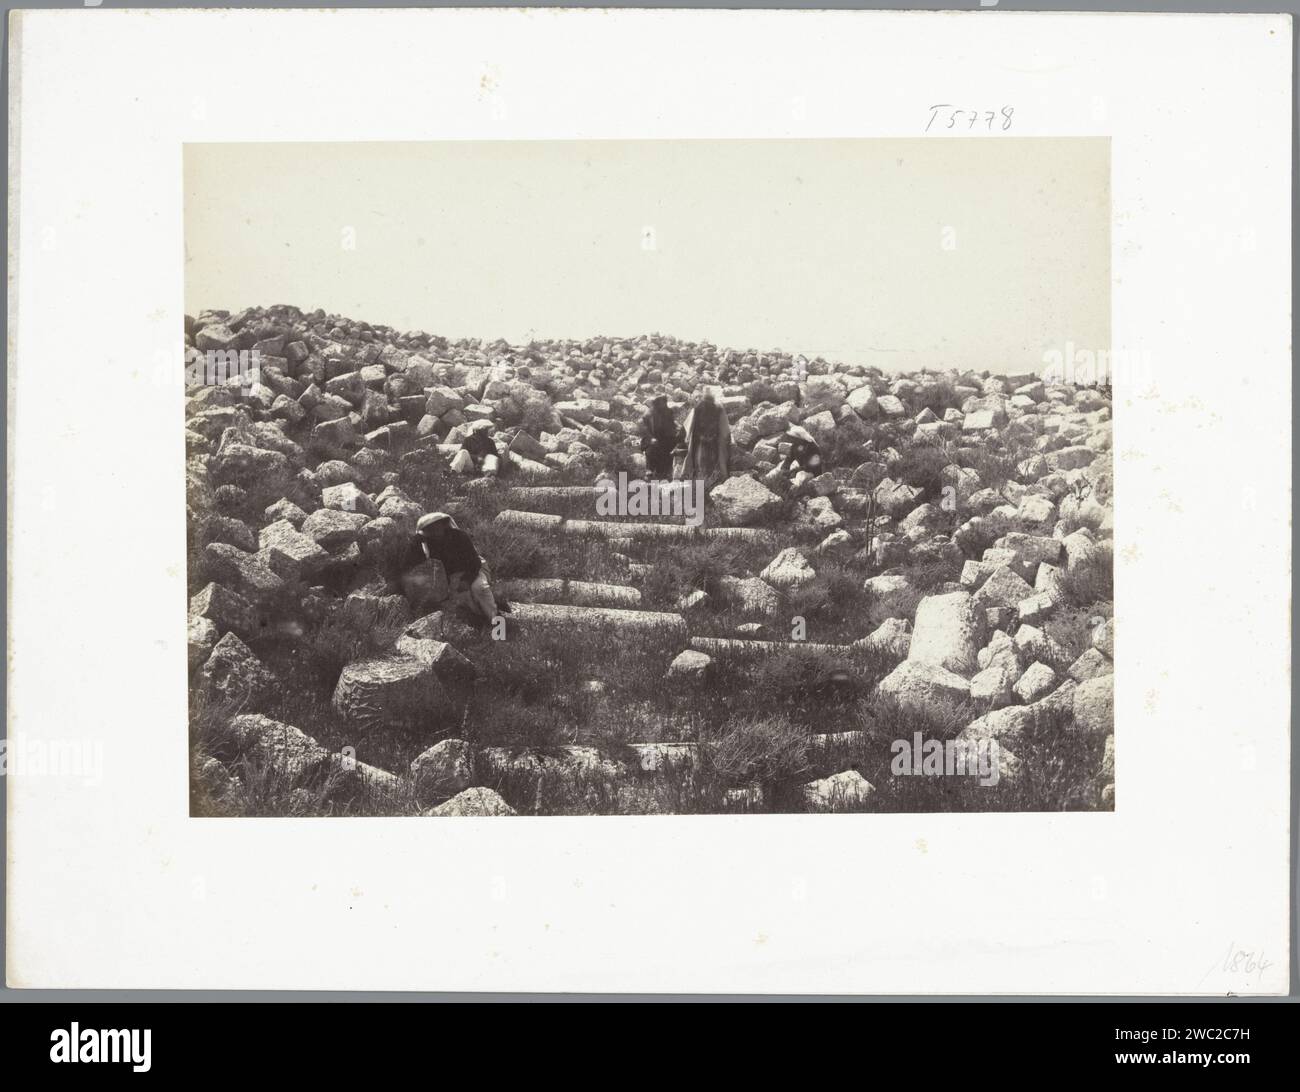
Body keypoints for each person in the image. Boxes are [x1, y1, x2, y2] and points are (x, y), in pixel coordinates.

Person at [399, 512, 505, 621]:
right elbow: (407, 564)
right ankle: (481, 618)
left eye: (437, 525)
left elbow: (474, 562)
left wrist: (467, 580)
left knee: (479, 588)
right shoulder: (423, 542)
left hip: (474, 569)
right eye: (429, 528)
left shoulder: (459, 537)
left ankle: (497, 620)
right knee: (461, 599)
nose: (434, 530)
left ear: (443, 524)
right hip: (449, 576)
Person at [679, 387, 730, 488]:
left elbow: (689, 424)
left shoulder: (698, 407)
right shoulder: (718, 408)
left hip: (700, 439)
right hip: (712, 439)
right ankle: (718, 478)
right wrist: (727, 439)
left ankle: (694, 477)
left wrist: (686, 437)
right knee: (716, 459)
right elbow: (725, 428)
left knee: (696, 458)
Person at [637, 395, 681, 481]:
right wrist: (651, 438)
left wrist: (677, 428)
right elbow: (644, 429)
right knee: (652, 448)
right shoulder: (649, 414)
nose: (664, 404)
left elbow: (671, 424)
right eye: (661, 402)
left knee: (674, 446)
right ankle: (649, 469)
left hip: (665, 438)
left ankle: (666, 470)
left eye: (664, 402)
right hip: (652, 438)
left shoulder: (668, 412)